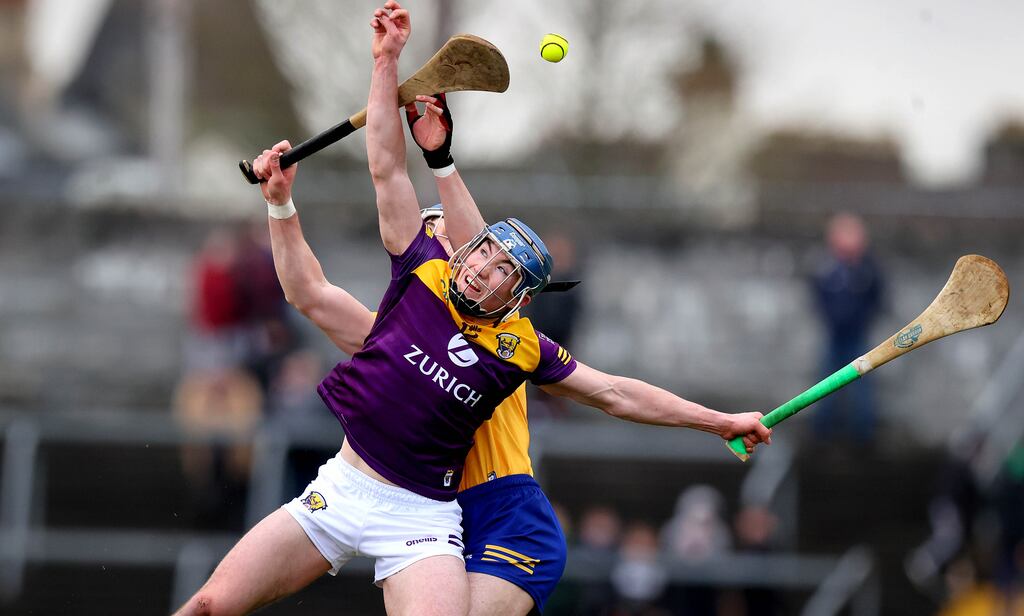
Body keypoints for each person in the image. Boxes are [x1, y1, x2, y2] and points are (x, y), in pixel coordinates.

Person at [174, 3, 770, 615]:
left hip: (427, 516)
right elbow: (383, 172)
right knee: (210, 605)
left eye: (500, 272)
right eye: (481, 254)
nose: (481, 268)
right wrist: (383, 66)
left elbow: (616, 392)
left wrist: (717, 421)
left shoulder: (519, 346)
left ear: (516, 299)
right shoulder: (419, 277)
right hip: (344, 487)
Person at [810, 212, 884, 446]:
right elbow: (817, 296)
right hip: (835, 335)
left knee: (862, 387)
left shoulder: (868, 270)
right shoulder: (827, 269)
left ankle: (863, 434)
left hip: (858, 334)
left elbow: (878, 298)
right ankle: (821, 432)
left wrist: (862, 319)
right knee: (826, 384)